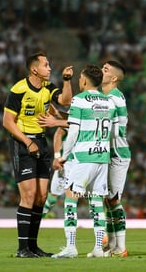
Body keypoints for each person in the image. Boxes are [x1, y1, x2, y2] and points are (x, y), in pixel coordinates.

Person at [3, 52, 73, 258]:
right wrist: (27, 141)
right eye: (46, 65)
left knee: (41, 198)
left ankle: (33, 247)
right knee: (29, 195)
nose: (50, 68)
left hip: (41, 143)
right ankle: (22, 249)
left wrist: (67, 81)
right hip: (22, 143)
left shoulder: (47, 87)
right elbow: (7, 121)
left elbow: (65, 100)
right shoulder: (19, 89)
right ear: (34, 69)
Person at [51, 64, 118, 258]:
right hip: (102, 157)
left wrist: (64, 155)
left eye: (80, 78)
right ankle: (98, 248)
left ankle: (71, 246)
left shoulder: (79, 101)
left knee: (70, 199)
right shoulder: (109, 102)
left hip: (83, 157)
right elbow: (113, 133)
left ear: (85, 80)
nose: (79, 81)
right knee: (96, 201)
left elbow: (72, 132)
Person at [100, 60, 131, 257]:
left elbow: (114, 130)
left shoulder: (115, 99)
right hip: (107, 154)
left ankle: (121, 248)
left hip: (117, 154)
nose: (101, 71)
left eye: (105, 70)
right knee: (107, 200)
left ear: (113, 78)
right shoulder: (105, 97)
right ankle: (112, 246)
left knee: (114, 200)